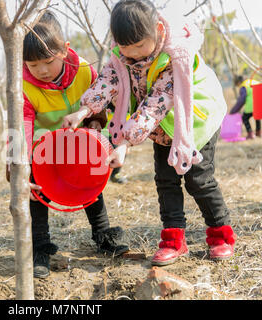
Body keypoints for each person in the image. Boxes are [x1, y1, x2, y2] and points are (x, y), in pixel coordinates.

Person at [63, 0, 235, 266]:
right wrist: (84, 111)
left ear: (156, 29)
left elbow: (154, 106)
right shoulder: (122, 56)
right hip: (162, 128)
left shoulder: (175, 56)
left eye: (139, 46)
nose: (132, 55)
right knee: (165, 181)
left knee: (198, 180)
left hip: (193, 122)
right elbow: (108, 80)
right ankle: (173, 240)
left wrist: (124, 144)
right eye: (125, 48)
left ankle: (221, 235)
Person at [7, 11, 129, 279]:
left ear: (64, 50)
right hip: (44, 152)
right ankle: (40, 248)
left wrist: (96, 121)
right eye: (32, 64)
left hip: (80, 146)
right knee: (37, 194)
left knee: (91, 186)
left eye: (48, 62)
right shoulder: (23, 87)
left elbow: (98, 99)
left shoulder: (85, 71)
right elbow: (21, 127)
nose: (41, 70)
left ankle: (102, 235)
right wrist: (21, 166)